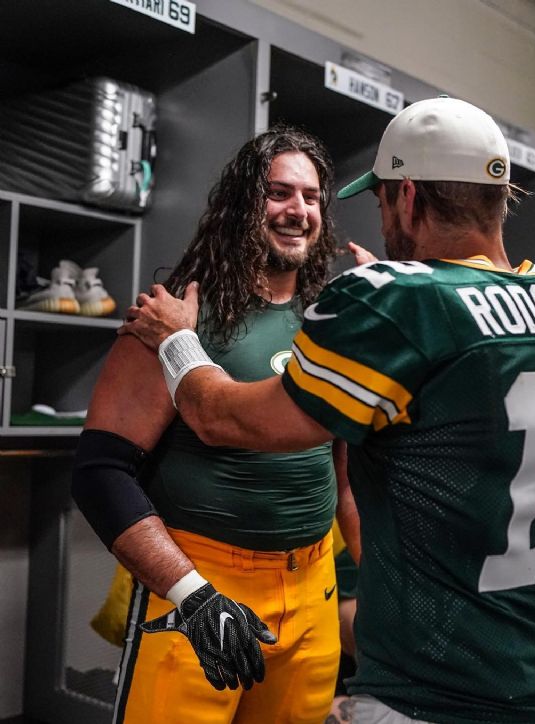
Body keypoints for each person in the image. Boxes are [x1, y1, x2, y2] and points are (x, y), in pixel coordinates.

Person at [121, 95, 535, 723]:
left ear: (409, 197)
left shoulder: (394, 301)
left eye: (383, 198)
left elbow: (226, 418)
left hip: (433, 694)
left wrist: (176, 341)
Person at [71, 125, 361, 724]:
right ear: (241, 204)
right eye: (278, 193)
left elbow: (346, 473)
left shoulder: (331, 321)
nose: (298, 211)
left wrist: (385, 584)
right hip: (200, 588)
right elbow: (100, 474)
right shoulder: (175, 317)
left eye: (311, 197)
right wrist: (190, 594)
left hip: (313, 593)